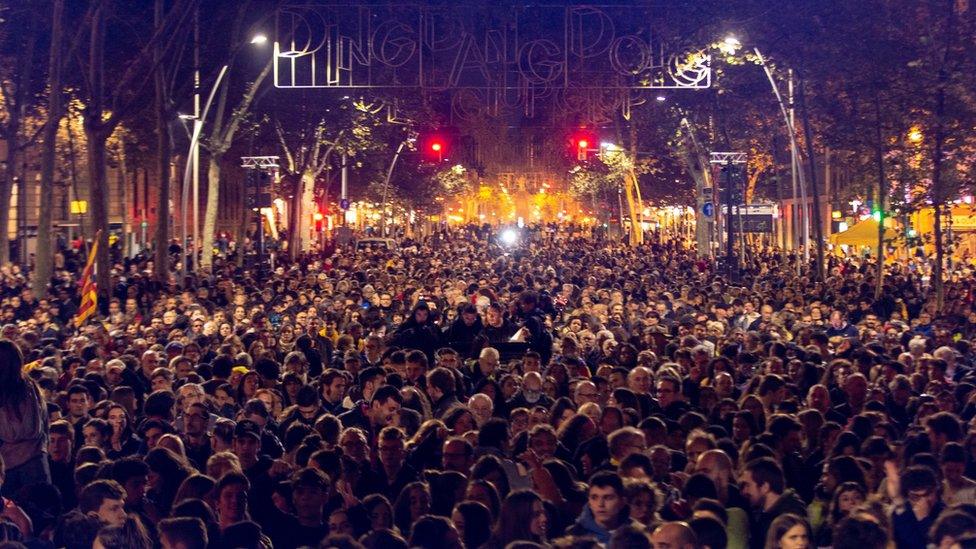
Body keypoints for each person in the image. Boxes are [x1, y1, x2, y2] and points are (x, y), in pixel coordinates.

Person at [0, 339, 50, 495]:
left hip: (28, 465)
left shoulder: (25, 389)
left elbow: (19, 431)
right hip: (29, 461)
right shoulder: (30, 387)